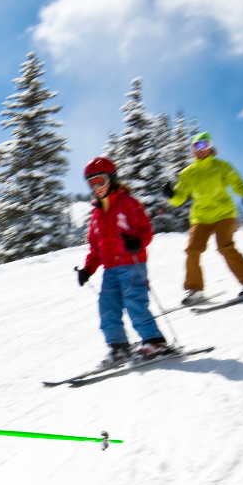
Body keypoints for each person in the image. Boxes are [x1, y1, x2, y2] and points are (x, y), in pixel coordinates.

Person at [76, 156, 170, 371]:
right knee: (107, 307)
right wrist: (88, 269)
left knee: (134, 301)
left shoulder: (128, 202)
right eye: (91, 184)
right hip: (110, 269)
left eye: (100, 181)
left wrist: (137, 242)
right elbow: (95, 249)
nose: (96, 188)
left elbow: (145, 229)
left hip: (131, 263)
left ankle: (154, 342)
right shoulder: (96, 214)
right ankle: (119, 347)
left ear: (112, 179)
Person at [165, 132, 243, 306]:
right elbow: (179, 198)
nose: (201, 149)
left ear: (210, 147)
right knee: (192, 250)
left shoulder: (221, 166)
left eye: (204, 145)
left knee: (225, 247)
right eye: (197, 146)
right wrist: (171, 195)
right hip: (200, 217)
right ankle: (195, 289)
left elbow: (237, 183)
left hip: (223, 214)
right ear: (193, 149)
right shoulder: (188, 173)